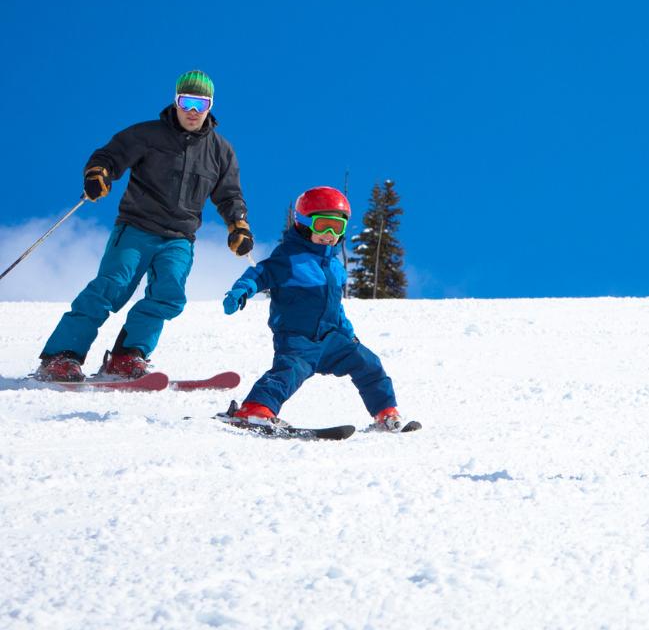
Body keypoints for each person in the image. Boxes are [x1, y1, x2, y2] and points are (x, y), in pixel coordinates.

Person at [36, 71, 254, 382]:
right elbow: (109, 156)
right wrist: (99, 173)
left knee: (169, 294)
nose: (192, 111)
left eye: (200, 103)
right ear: (175, 101)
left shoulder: (221, 151)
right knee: (111, 287)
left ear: (210, 106)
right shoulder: (148, 135)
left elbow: (229, 194)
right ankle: (62, 356)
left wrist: (238, 225)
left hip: (179, 238)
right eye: (186, 101)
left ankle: (127, 356)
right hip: (137, 227)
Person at [222, 186, 408, 431]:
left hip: (333, 339)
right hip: (298, 339)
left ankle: (385, 412)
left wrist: (348, 334)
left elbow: (335, 307)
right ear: (303, 222)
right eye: (322, 225)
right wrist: (241, 290)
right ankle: (255, 409)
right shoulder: (288, 258)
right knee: (289, 372)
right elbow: (260, 274)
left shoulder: (335, 267)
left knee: (368, 363)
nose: (330, 234)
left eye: (337, 227)